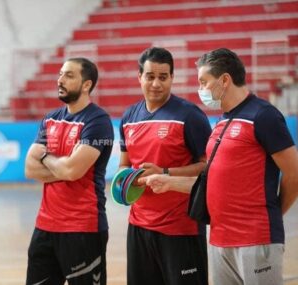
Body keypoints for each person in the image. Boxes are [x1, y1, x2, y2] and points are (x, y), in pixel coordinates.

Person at [141, 48, 298, 285]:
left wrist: (273, 214)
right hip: (219, 240)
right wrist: (169, 181)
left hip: (255, 240)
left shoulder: (263, 115)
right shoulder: (221, 122)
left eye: (204, 82)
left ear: (225, 80)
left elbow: (294, 173)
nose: (200, 89)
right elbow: (212, 182)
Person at [118, 47, 212, 285]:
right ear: (139, 77)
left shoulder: (190, 116)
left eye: (163, 77)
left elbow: (208, 167)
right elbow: (124, 164)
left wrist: (165, 173)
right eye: (150, 76)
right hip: (139, 227)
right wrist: (124, 183)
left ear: (172, 77)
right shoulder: (129, 117)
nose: (156, 84)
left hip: (181, 228)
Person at [24, 57, 114, 285]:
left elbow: (73, 170)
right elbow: (30, 169)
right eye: (60, 74)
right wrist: (63, 168)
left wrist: (45, 156)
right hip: (44, 227)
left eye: (69, 75)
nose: (60, 80)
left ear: (87, 85)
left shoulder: (98, 121)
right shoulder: (50, 119)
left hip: (83, 228)